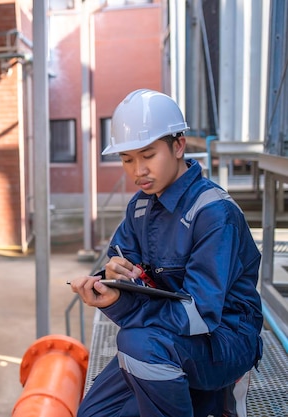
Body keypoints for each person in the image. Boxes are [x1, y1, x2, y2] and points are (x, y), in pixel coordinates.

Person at [68, 89, 263, 417]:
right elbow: (125, 272)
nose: (137, 170)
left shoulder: (214, 213)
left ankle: (220, 390)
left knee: (136, 345)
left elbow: (199, 314)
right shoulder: (141, 207)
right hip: (165, 339)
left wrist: (125, 308)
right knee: (95, 413)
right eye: (127, 159)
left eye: (147, 155)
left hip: (224, 339)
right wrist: (110, 286)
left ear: (178, 146)